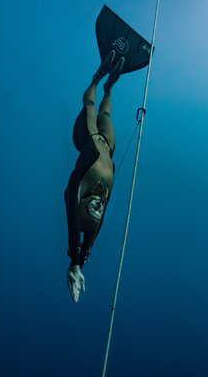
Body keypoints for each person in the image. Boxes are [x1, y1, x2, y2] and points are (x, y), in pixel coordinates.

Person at [65, 50, 124, 303]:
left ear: (81, 206)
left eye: (93, 210)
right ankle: (109, 86)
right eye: (100, 211)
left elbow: (74, 223)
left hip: (88, 137)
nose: (99, 207)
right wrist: (82, 262)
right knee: (106, 115)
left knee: (90, 106)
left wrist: (74, 263)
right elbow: (92, 234)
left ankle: (97, 77)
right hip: (107, 148)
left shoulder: (76, 190)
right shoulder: (103, 199)